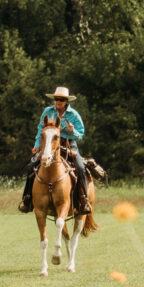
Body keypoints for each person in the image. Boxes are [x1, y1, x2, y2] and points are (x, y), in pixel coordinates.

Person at [18, 86, 91, 215]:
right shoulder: (47, 111)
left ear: (66, 101)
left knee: (80, 167)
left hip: (69, 144)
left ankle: (84, 200)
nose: (58, 101)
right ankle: (27, 199)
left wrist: (71, 131)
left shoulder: (73, 115)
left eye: (61, 99)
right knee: (31, 166)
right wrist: (37, 145)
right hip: (48, 145)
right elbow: (41, 130)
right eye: (57, 99)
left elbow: (80, 135)